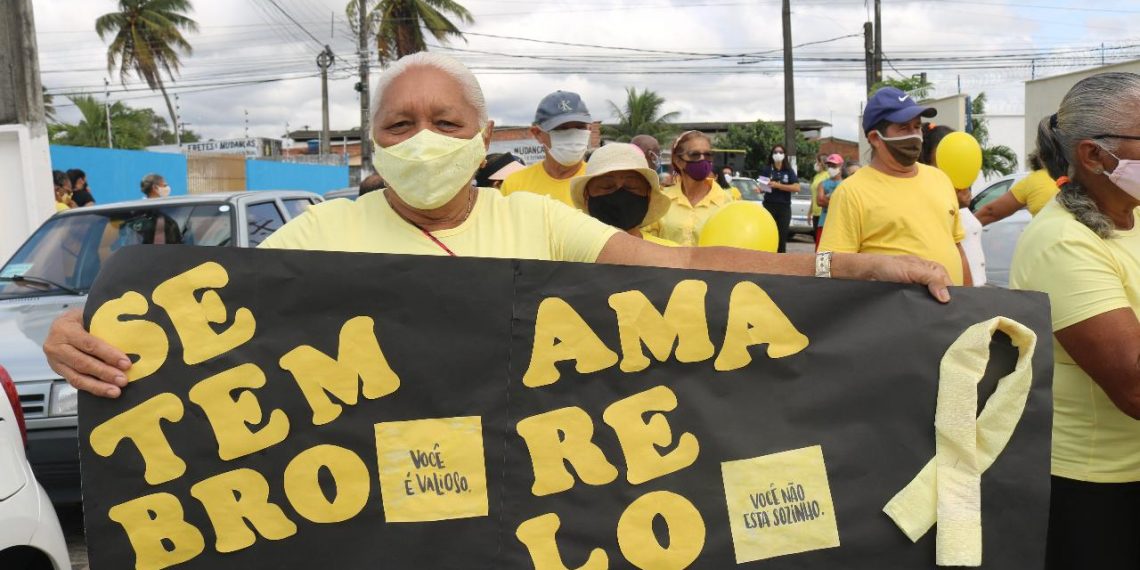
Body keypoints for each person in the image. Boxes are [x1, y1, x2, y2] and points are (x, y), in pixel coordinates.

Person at [42, 52, 952, 399]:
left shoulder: (535, 224)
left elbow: (685, 266)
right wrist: (85, 329)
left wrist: (849, 276)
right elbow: (198, 316)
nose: (424, 139)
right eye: (400, 125)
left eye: (446, 122)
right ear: (371, 146)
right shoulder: (320, 238)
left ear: (482, 137)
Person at [1008, 72, 1140, 570]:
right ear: (1093, 156)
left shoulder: (1135, 215)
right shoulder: (1063, 242)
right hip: (1098, 490)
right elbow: (1135, 388)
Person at [819, 86, 970, 286]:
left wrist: (971, 301)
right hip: (892, 314)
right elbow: (825, 267)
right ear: (875, 138)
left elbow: (957, 248)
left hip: (952, 309)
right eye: (904, 128)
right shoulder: (851, 192)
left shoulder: (940, 179)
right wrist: (875, 266)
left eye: (917, 127)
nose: (915, 135)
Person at [569, 143, 675, 246]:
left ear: (649, 195)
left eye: (631, 186)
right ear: (586, 195)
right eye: (607, 186)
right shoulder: (566, 253)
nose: (620, 195)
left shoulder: (672, 256)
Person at [920, 124, 987, 286]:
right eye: (942, 159)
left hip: (976, 292)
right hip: (957, 293)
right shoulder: (926, 199)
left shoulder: (958, 196)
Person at [642, 130, 735, 246]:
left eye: (707, 155)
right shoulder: (661, 199)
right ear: (678, 161)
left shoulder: (727, 202)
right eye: (695, 155)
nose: (702, 159)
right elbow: (647, 241)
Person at [500, 90, 591, 206]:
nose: (572, 134)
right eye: (561, 128)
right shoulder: (514, 185)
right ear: (537, 133)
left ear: (589, 129)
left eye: (580, 127)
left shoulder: (603, 183)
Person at [975, 152, 1060, 225]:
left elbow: (991, 212)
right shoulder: (1071, 177)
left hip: (1046, 240)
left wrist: (963, 227)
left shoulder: (1034, 180)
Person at [758, 144, 799, 253]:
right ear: (772, 155)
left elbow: (797, 187)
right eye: (775, 152)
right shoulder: (767, 169)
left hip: (784, 207)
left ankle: (781, 261)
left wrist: (779, 186)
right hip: (769, 206)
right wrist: (761, 188)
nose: (778, 154)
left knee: (782, 236)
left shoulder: (788, 170)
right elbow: (762, 187)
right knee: (768, 234)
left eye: (780, 152)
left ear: (784, 155)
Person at [814, 154, 845, 249]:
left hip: (841, 224)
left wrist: (826, 198)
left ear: (841, 166)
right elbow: (819, 201)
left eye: (834, 166)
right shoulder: (822, 183)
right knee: (822, 253)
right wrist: (836, 200)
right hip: (823, 223)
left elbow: (845, 203)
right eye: (829, 166)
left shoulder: (846, 184)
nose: (831, 168)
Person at [809, 153, 829, 246]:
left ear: (822, 163)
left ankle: (824, 259)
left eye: (817, 162)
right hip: (815, 212)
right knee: (816, 239)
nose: (815, 164)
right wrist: (810, 211)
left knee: (822, 240)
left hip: (823, 212)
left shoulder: (827, 175)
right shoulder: (816, 176)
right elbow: (814, 195)